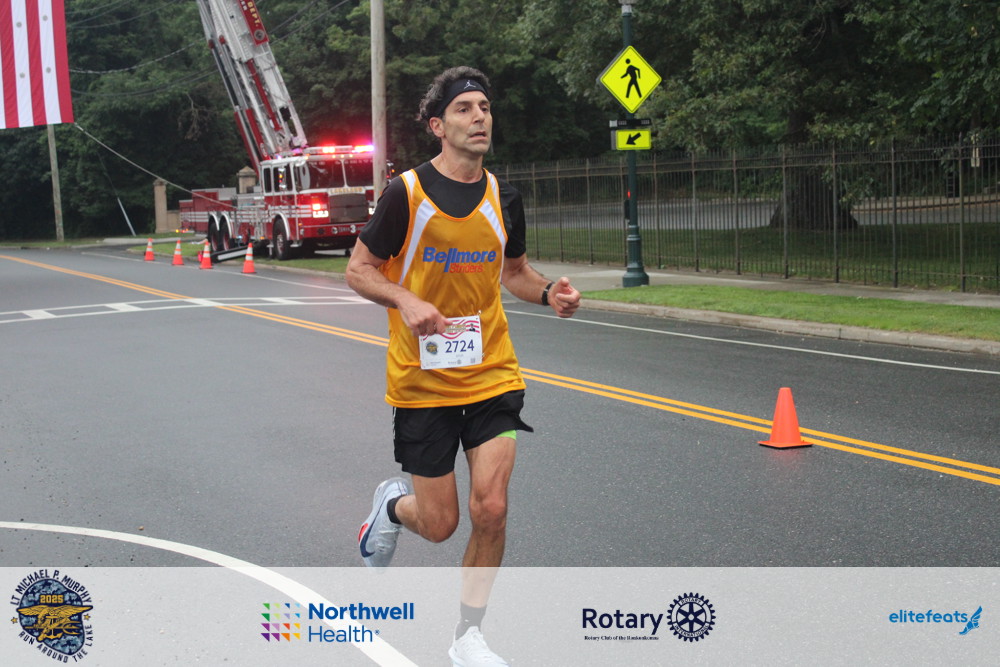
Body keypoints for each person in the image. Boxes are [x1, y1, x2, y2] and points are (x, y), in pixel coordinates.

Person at [346, 66, 580, 666]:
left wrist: (548, 291)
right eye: (464, 108)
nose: (479, 117)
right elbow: (358, 270)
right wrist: (406, 299)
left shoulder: (505, 197)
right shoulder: (406, 194)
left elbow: (514, 273)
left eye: (485, 107)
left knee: (491, 508)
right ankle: (391, 507)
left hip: (492, 371)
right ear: (438, 126)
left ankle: (467, 635)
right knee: (440, 524)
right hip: (422, 382)